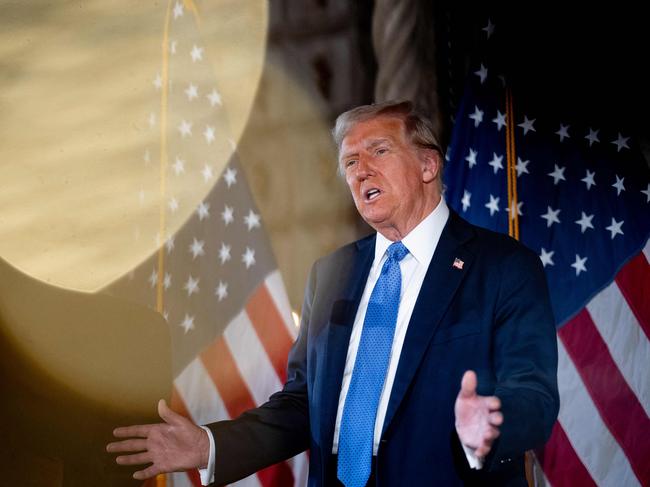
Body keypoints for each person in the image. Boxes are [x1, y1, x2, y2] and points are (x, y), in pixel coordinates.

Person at [108, 101, 559, 486]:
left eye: (378, 151)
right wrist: (211, 445)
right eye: (349, 162)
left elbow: (535, 397)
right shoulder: (332, 273)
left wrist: (489, 425)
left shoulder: (503, 267)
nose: (362, 170)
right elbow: (304, 404)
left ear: (427, 165)